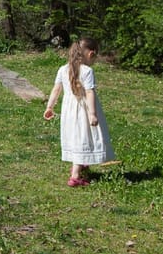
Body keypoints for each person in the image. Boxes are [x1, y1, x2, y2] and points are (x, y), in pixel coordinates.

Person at [44, 37, 115, 187]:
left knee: (77, 137)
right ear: (91, 54)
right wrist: (92, 114)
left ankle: (82, 165)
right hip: (83, 110)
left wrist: (49, 107)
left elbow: (56, 89)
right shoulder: (87, 71)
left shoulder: (63, 69)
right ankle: (75, 176)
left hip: (69, 112)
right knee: (83, 138)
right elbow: (89, 93)